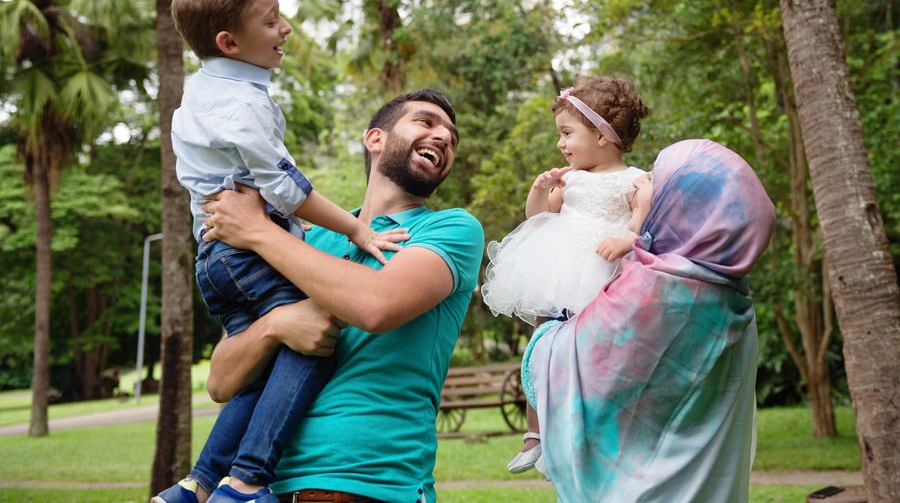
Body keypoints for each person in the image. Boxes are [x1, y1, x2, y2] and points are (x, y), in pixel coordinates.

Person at [155, 0, 407, 503]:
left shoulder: (198, 94)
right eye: (270, 22)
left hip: (216, 256)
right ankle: (247, 480)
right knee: (314, 334)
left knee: (264, 364)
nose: (285, 28)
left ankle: (198, 483)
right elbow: (287, 190)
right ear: (229, 41)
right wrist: (358, 229)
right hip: (247, 252)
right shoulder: (245, 105)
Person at [199, 89, 484, 503]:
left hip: (361, 484)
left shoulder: (452, 230)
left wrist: (257, 232)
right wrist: (275, 326)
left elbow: (376, 305)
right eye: (426, 122)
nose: (443, 137)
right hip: (261, 487)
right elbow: (221, 381)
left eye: (452, 138)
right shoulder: (309, 241)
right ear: (375, 139)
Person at [522, 139, 776, 503]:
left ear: (684, 204)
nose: (638, 182)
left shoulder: (653, 291)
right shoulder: (732, 298)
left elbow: (555, 370)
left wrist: (546, 324)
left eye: (654, 178)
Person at [480, 76, 648, 474]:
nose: (560, 143)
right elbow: (538, 221)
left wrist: (627, 240)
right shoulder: (568, 179)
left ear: (603, 135)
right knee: (540, 347)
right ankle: (535, 432)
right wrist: (539, 191)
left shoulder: (635, 179)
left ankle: (587, 430)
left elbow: (644, 218)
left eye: (567, 133)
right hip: (557, 269)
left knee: (596, 354)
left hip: (604, 276)